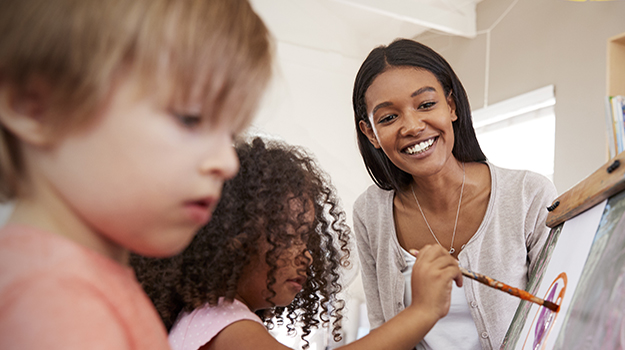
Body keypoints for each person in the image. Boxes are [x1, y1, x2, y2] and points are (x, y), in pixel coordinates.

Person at [0, 0, 273, 348]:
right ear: (33, 106)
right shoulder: (51, 302)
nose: (227, 162)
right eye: (190, 117)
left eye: (230, 134)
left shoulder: (85, 284)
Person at [132, 137, 463, 350]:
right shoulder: (220, 322)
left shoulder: (212, 318)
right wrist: (423, 310)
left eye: (306, 237)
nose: (306, 254)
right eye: (288, 235)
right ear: (234, 241)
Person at [351, 38, 558, 350]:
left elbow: (554, 317)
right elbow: (384, 333)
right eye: (388, 117)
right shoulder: (370, 213)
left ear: (451, 106)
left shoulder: (528, 194)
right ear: (371, 134)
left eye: (425, 104)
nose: (412, 126)